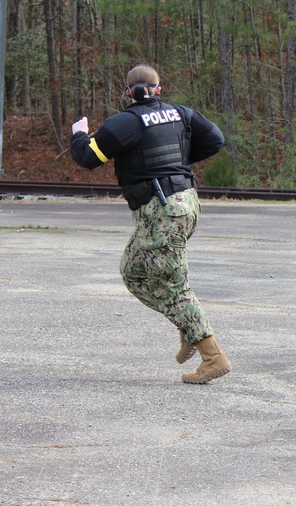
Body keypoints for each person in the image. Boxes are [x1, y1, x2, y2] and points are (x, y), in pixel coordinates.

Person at [70, 64, 231, 384]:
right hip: (183, 205)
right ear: (158, 89)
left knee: (175, 286)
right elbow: (215, 140)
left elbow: (86, 158)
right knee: (133, 271)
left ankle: (212, 356)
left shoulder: (123, 124)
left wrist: (78, 133)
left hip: (163, 213)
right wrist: (177, 162)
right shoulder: (181, 114)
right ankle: (189, 327)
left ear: (128, 92)